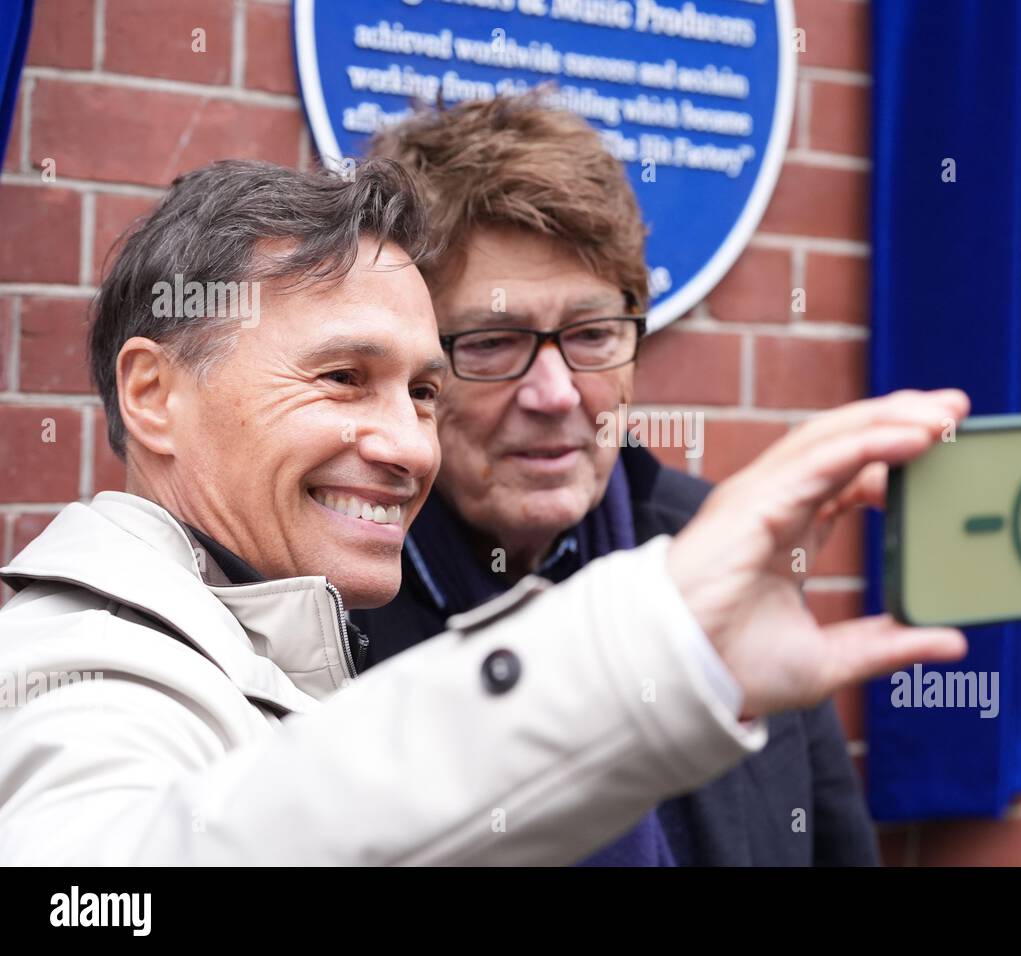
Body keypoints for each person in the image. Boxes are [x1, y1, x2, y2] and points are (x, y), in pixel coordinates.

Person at [0, 156, 970, 865]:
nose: (406, 443)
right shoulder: (83, 665)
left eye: (420, 392)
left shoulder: (286, 612)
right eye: (342, 377)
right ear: (153, 395)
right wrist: (650, 651)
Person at [356, 94, 879, 865]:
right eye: (496, 342)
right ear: (410, 361)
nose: (557, 393)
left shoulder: (715, 549)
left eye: (593, 335)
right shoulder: (335, 606)